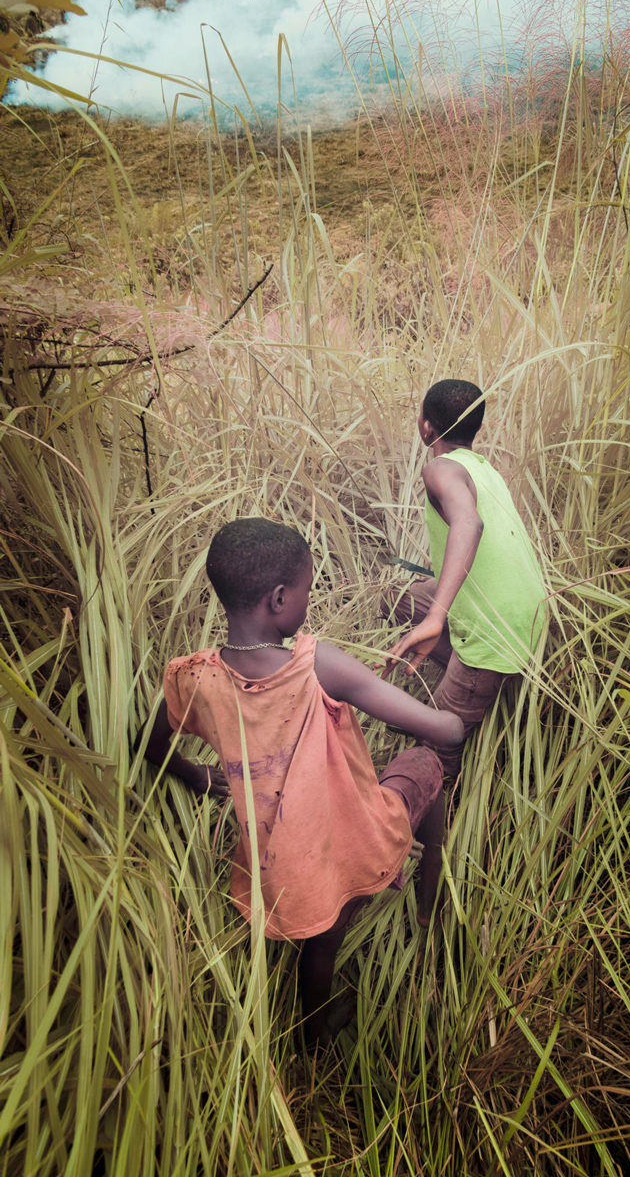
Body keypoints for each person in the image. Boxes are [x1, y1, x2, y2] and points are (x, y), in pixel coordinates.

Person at [138, 517, 463, 1047]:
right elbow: (440, 727)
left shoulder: (192, 676)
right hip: (348, 843)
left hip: (278, 863)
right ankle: (429, 897)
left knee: (321, 942)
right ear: (280, 597)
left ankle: (313, 1039)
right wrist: (455, 714)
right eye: (309, 589)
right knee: (425, 765)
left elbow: (149, 743)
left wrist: (199, 777)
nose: (308, 602)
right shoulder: (315, 666)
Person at [382, 378, 547, 777]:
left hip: (497, 627)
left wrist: (436, 616)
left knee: (438, 740)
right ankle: (467, 678)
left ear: (426, 426)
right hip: (528, 605)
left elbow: (469, 523)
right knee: (398, 597)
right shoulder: (483, 468)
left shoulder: (439, 468)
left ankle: (448, 794)